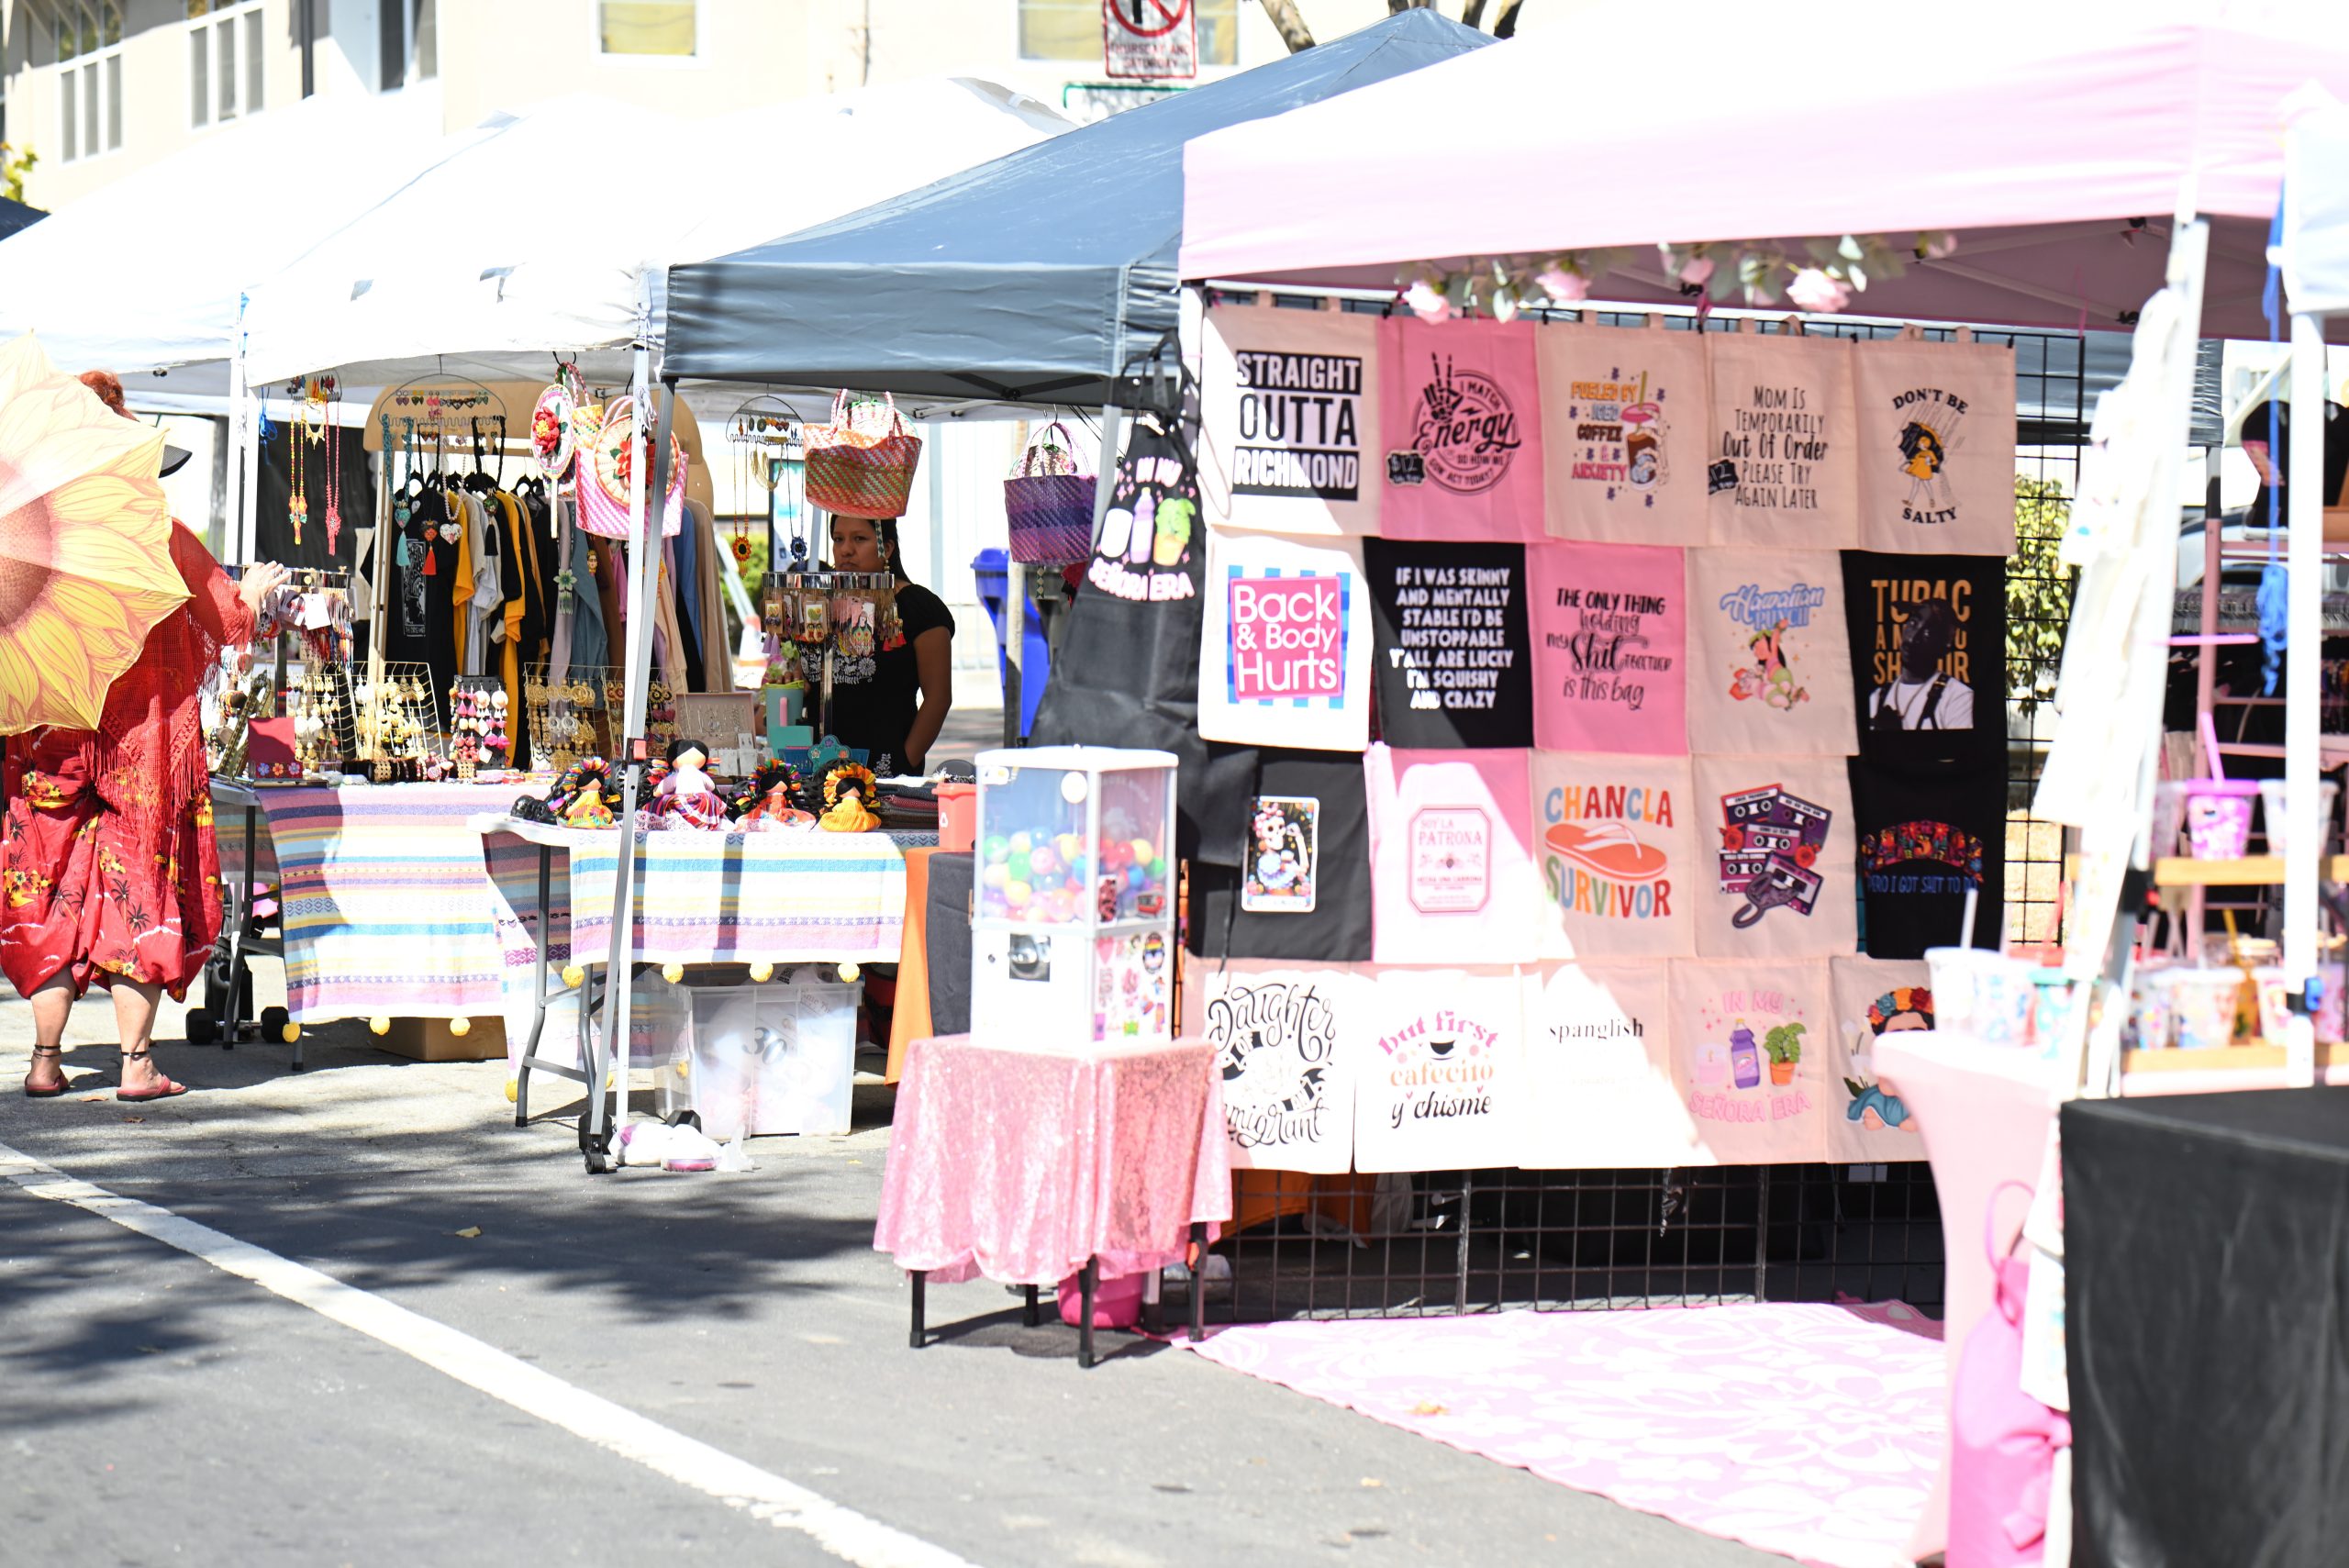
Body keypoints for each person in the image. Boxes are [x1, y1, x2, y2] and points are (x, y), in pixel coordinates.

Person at [8, 370, 289, 1101]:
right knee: (142, 886)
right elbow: (229, 617)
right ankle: (135, 1064)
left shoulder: (29, 541)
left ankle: (44, 1060)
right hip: (142, 744)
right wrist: (254, 592)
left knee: (49, 894)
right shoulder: (156, 534)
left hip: (48, 740)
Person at [823, 514, 954, 777]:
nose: (846, 549)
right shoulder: (822, 604)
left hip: (887, 774)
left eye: (859, 539)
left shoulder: (919, 608)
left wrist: (905, 760)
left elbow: (938, 698)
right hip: (822, 768)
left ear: (888, 548)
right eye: (838, 539)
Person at [1867, 597, 1975, 732]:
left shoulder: (1958, 698)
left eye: (1927, 632)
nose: (1912, 638)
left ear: (1945, 645)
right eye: (1913, 623)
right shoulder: (1877, 698)